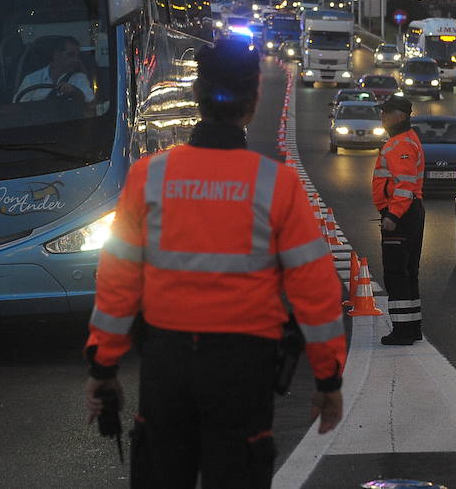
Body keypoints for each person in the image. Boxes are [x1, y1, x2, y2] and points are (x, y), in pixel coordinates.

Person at [84, 39, 347, 488]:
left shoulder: (150, 175)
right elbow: (316, 292)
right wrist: (328, 379)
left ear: (197, 98)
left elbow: (117, 284)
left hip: (166, 366)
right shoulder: (276, 184)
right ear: (254, 101)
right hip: (244, 368)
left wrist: (103, 369)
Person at [372, 95, 425, 346]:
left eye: (386, 112)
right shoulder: (404, 140)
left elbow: (404, 185)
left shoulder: (400, 144)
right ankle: (412, 328)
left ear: (401, 116)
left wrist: (392, 215)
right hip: (410, 212)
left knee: (396, 273)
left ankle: (403, 331)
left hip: (401, 214)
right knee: (408, 273)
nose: (382, 116)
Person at [14, 35, 92, 104]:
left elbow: (89, 102)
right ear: (57, 55)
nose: (76, 60)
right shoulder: (31, 80)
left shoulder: (80, 78)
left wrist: (74, 92)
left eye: (77, 55)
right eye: (71, 55)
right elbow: (18, 108)